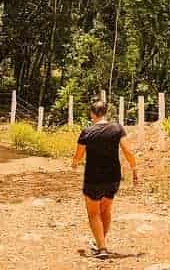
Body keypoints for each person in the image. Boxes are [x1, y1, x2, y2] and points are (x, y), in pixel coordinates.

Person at [71, 100, 139, 259]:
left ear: (92, 114)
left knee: (93, 213)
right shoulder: (117, 128)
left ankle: (102, 248)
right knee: (106, 210)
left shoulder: (87, 132)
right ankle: (100, 242)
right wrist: (134, 169)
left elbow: (79, 156)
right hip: (113, 177)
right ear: (106, 112)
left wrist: (74, 163)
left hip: (93, 178)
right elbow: (128, 151)